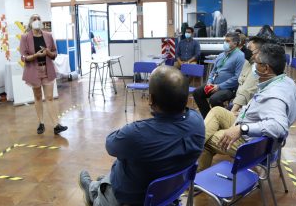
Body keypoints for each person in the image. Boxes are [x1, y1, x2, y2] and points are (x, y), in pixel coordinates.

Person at [79, 65, 205, 206]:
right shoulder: (198, 121)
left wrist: (131, 131)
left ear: (150, 99)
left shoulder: (137, 134)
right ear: (186, 97)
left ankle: (94, 192)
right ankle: (100, 184)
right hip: (169, 193)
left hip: (131, 199)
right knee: (122, 166)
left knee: (111, 177)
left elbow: (110, 144)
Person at [197, 43, 296, 171]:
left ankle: (191, 178)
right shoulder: (286, 81)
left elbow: (279, 127)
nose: (254, 65)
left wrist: (242, 128)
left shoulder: (274, 95)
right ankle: (193, 146)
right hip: (254, 131)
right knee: (217, 111)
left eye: (256, 62)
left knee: (207, 140)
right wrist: (243, 112)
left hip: (251, 144)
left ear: (266, 68)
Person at [19, 14, 68, 135]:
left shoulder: (48, 35)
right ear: (30, 23)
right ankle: (41, 123)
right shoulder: (25, 37)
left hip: (47, 69)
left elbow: (54, 53)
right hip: (33, 71)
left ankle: (56, 125)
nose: (37, 21)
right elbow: (23, 57)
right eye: (34, 19)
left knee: (50, 98)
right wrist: (35, 55)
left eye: (38, 19)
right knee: (37, 97)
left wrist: (47, 52)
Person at [193, 32, 245, 118]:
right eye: (225, 40)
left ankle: (223, 119)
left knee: (214, 99)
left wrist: (219, 86)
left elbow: (237, 78)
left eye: (228, 41)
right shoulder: (221, 55)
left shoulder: (240, 56)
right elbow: (213, 71)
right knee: (197, 92)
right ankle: (207, 118)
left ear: (235, 43)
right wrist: (209, 82)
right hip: (214, 85)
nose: (225, 43)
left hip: (229, 88)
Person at [229, 37, 266, 115]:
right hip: (239, 102)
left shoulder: (257, 67)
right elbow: (241, 82)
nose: (247, 51)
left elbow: (247, 90)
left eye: (249, 48)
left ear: (259, 51)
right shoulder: (247, 62)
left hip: (247, 106)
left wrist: (233, 110)